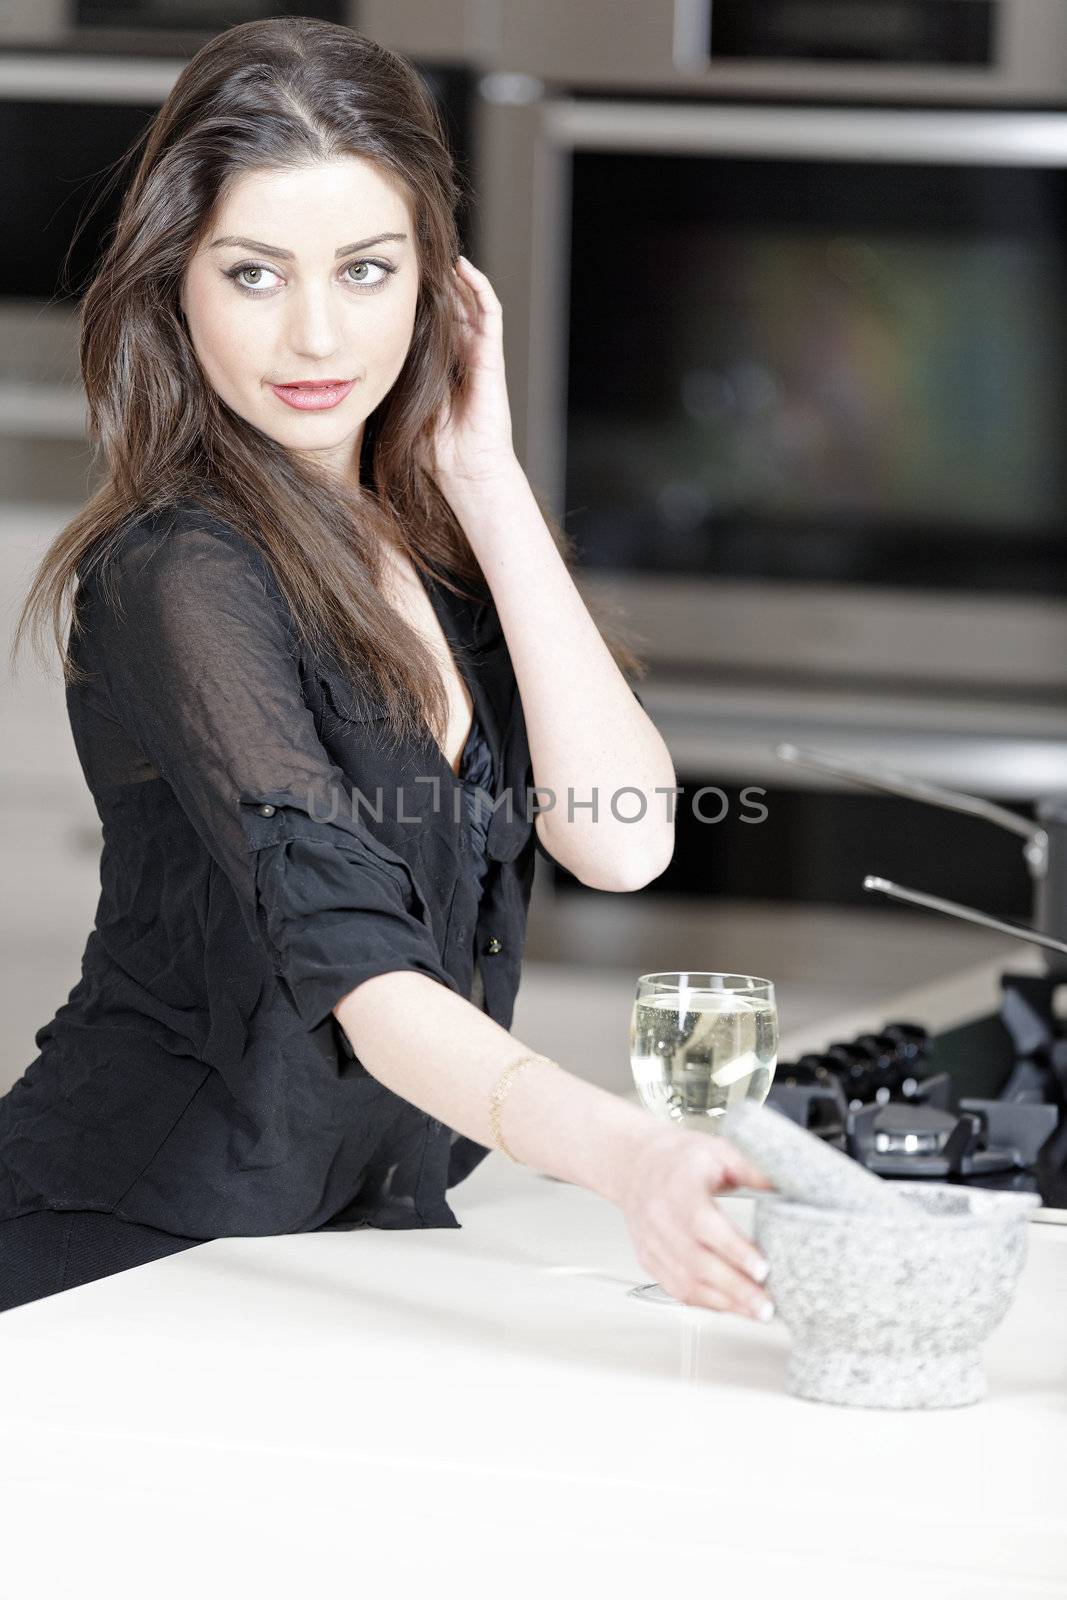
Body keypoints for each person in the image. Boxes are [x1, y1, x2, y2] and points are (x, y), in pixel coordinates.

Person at [1, 19, 775, 1317]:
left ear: (437, 285)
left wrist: (487, 475)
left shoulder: (442, 548)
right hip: (129, 1251)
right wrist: (628, 1153)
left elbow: (625, 839)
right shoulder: (179, 572)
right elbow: (358, 973)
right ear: (176, 284)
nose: (316, 336)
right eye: (255, 275)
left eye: (365, 270)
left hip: (344, 1252)